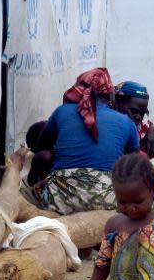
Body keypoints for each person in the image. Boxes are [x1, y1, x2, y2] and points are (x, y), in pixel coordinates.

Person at [36, 68, 140, 214]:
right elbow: (134, 162)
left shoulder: (62, 111)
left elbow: (40, 146)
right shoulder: (125, 122)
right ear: (110, 95)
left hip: (59, 197)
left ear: (77, 89)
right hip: (108, 198)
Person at [113, 81, 154, 159]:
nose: (139, 117)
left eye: (142, 113)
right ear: (117, 103)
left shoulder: (145, 127)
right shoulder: (109, 125)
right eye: (133, 111)